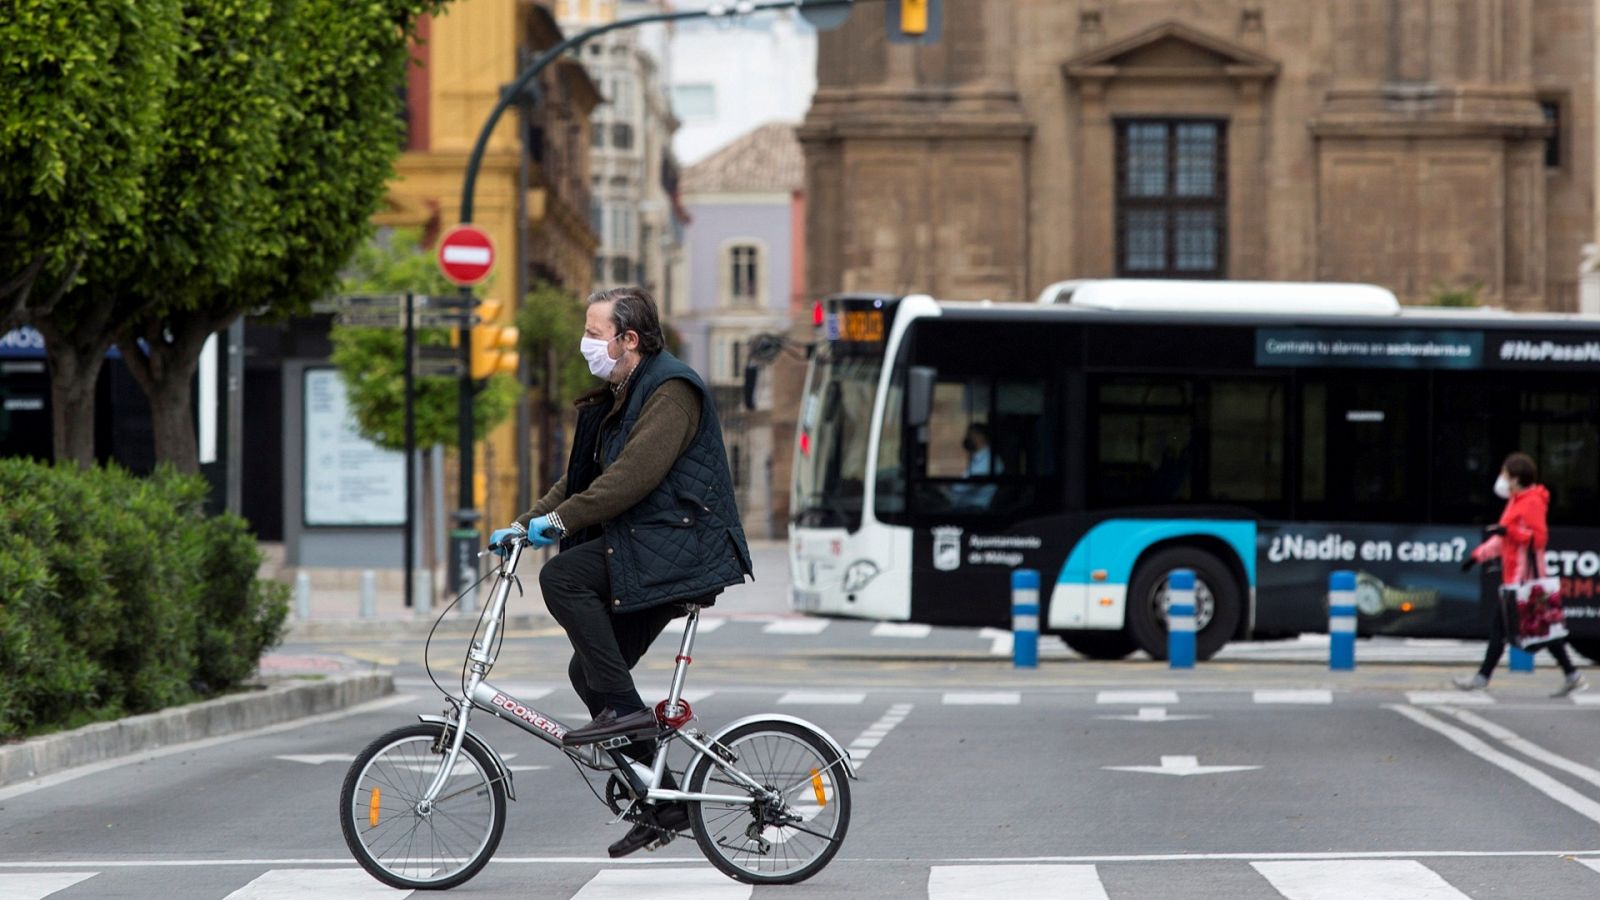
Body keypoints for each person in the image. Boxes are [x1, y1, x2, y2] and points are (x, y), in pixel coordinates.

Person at [488, 286, 753, 857]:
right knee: (591, 676)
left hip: (682, 549)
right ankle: (664, 802)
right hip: (650, 545)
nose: (586, 343)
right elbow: (581, 480)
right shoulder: (621, 394)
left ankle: (628, 715)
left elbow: (632, 478)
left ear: (629, 339)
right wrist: (524, 523)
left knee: (563, 578)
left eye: (593, 332)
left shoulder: (671, 390)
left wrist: (557, 526)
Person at [1454, 452, 1585, 696]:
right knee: (1541, 631)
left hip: (1526, 580)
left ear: (1515, 478)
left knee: (1507, 630)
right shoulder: (1516, 500)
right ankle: (1571, 674)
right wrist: (1476, 556)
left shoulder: (1532, 501)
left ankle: (1482, 678)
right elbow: (1503, 539)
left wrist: (1509, 531)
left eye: (1504, 474)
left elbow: (1538, 539)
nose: (1501, 479)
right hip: (1513, 578)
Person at [948, 422, 1002, 509]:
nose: (967, 439)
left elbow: (964, 487)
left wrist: (947, 488)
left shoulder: (989, 461)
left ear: (980, 436)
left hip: (974, 509)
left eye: (969, 435)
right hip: (963, 507)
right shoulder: (978, 459)